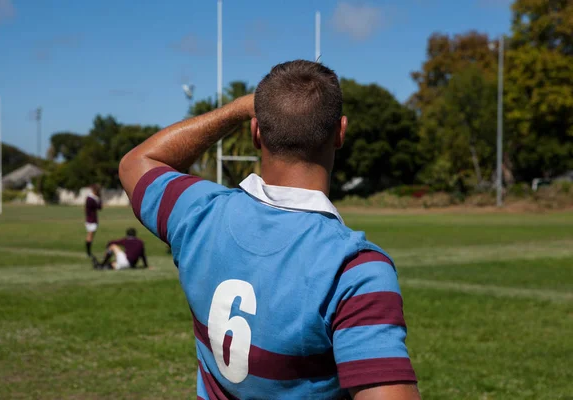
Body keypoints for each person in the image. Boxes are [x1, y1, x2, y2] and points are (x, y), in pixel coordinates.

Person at [119, 60, 420, 399]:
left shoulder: (199, 212)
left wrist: (236, 110)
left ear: (255, 132)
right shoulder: (354, 271)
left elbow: (136, 162)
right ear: (340, 132)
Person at [84, 183, 102, 257]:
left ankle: (89, 252)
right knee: (90, 236)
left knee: (91, 236)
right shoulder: (91, 198)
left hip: (91, 219)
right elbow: (99, 207)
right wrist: (99, 199)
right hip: (91, 220)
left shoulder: (91, 198)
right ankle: (88, 253)